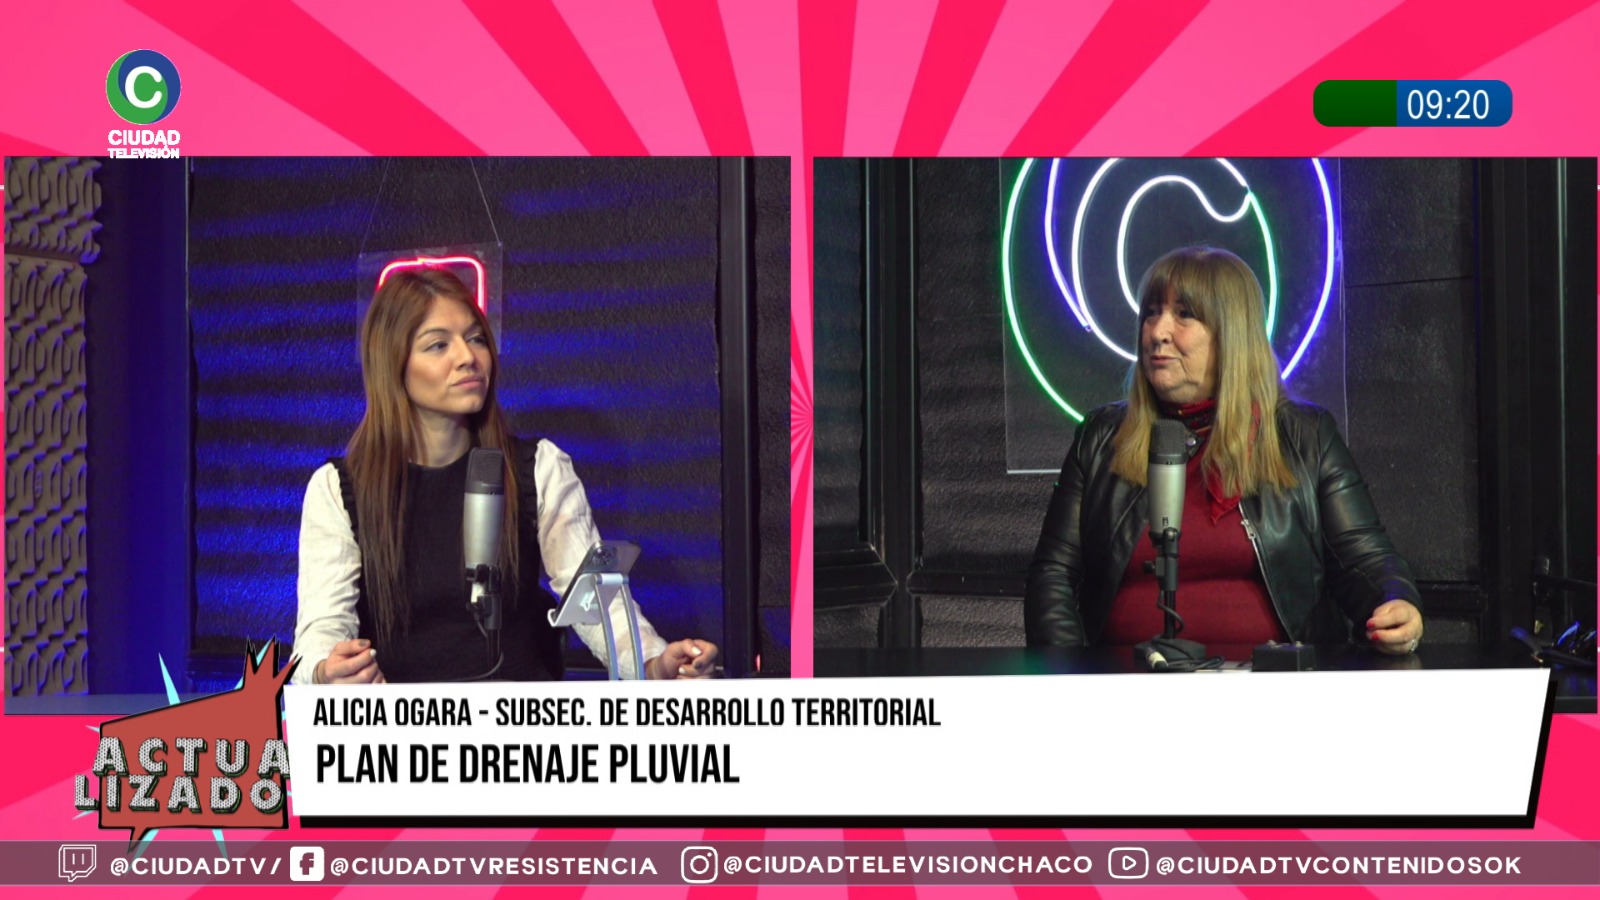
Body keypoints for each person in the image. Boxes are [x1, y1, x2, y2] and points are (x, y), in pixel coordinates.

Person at [293, 267, 719, 683]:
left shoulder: (536, 467)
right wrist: (329, 671)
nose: (467, 358)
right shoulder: (339, 489)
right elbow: (320, 631)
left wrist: (654, 663)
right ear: (392, 364)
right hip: (402, 726)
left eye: (475, 338)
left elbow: (595, 601)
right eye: (438, 345)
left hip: (519, 722)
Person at [1024, 246, 1423, 656]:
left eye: (1184, 314)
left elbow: (1366, 562)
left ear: (1231, 336)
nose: (1157, 332)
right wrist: (1071, 675)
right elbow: (1053, 576)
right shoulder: (1101, 438)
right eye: (1151, 313)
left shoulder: (1306, 437)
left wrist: (1397, 602)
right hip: (1125, 684)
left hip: (1269, 687)